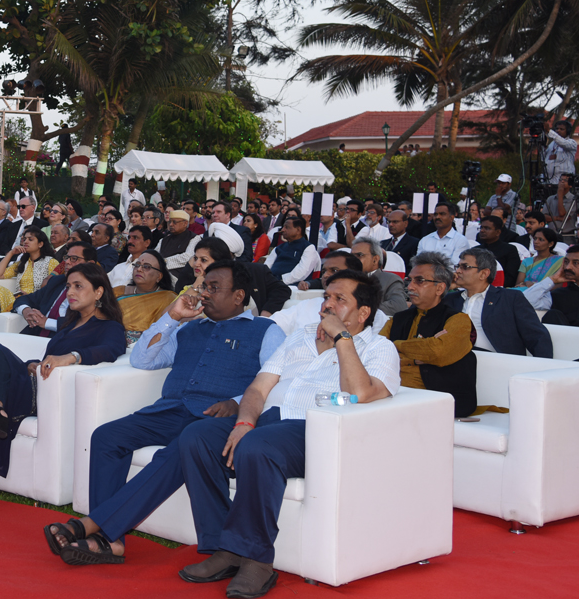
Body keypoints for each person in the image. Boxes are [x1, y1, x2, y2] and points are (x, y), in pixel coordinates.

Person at [45, 261, 286, 567]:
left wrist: (238, 402)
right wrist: (172, 316)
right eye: (204, 287)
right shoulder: (190, 327)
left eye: (214, 288)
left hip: (215, 420)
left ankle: (95, 530)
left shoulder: (266, 331)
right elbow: (142, 360)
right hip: (170, 409)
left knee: (180, 449)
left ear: (239, 296)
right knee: (106, 436)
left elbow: (276, 382)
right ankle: (112, 540)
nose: (205, 293)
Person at [172, 270, 398, 596]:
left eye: (339, 299)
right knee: (198, 437)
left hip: (315, 429)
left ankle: (257, 560)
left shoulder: (379, 348)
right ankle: (225, 548)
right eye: (326, 297)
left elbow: (360, 392)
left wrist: (342, 338)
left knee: (257, 447)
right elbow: (258, 389)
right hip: (268, 422)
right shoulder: (301, 336)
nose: (327, 305)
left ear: (363, 313)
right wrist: (244, 423)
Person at [0, 263, 126, 504]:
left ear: (99, 292)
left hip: (48, 394)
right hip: (35, 382)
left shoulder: (110, 327)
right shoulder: (70, 323)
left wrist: (71, 357)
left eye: (78, 286)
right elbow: (48, 358)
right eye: (68, 286)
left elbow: (110, 350)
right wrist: (33, 364)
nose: (70, 292)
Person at [380, 251, 477, 417]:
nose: (410, 287)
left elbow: (437, 352)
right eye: (410, 280)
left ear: (439, 288)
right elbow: (379, 351)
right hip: (394, 394)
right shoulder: (398, 318)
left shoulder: (458, 320)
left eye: (420, 281)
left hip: (439, 399)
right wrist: (420, 352)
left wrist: (397, 345)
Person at [446, 247, 552, 358]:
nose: (458, 271)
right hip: (455, 360)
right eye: (458, 266)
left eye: (465, 267)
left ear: (483, 274)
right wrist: (446, 288)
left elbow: (536, 336)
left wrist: (544, 365)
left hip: (497, 361)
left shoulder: (509, 298)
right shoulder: (449, 299)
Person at [175, 237, 291, 318]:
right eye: (195, 258)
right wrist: (195, 287)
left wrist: (265, 315)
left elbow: (282, 290)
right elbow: (169, 315)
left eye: (203, 260)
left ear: (220, 261)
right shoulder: (192, 284)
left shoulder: (253, 272)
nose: (196, 264)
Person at [0, 228, 59, 330]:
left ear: (40, 244)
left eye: (30, 239)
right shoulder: (23, 262)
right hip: (19, 299)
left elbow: (53, 287)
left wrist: (29, 295)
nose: (25, 242)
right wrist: (11, 253)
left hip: (35, 301)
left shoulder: (51, 262)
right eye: (24, 239)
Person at [523, 244, 579, 328]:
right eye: (566, 262)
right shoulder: (557, 294)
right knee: (553, 314)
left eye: (575, 263)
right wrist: (552, 279)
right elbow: (523, 302)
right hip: (565, 335)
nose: (568, 267)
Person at [113, 249, 176, 346]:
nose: (139, 269)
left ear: (159, 276)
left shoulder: (169, 298)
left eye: (146, 267)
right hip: (110, 340)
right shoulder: (118, 291)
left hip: (144, 347)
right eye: (137, 265)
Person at [350, 237, 408, 317]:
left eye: (359, 255)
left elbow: (398, 305)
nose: (353, 260)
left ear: (375, 259)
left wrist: (359, 310)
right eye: (351, 256)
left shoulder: (390, 280)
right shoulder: (344, 279)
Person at [263, 216, 318, 285]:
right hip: (271, 283)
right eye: (283, 227)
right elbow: (266, 267)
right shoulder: (278, 248)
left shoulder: (308, 248)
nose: (282, 230)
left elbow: (301, 272)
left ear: (298, 230)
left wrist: (280, 281)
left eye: (287, 227)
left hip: (292, 286)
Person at [475, 215, 522, 284]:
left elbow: (511, 277)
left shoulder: (509, 250)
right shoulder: (476, 250)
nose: (482, 230)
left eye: (487, 228)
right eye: (481, 227)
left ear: (498, 232)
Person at [543, 174, 579, 239]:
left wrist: (560, 195)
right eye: (560, 180)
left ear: (570, 185)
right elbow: (544, 217)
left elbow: (562, 214)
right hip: (552, 234)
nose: (562, 182)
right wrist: (558, 218)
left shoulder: (573, 199)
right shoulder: (550, 199)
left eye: (565, 180)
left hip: (567, 235)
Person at [544, 120, 577, 184]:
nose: (558, 130)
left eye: (561, 129)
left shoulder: (572, 143)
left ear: (567, 131)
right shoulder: (552, 144)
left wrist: (549, 131)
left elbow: (563, 143)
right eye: (557, 129)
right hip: (550, 181)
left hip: (564, 182)